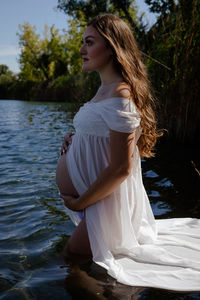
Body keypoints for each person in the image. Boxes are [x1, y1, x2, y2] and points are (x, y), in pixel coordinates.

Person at [56, 14, 200, 291]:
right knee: (79, 264)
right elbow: (100, 131)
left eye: (89, 42)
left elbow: (122, 167)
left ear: (110, 46)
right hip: (94, 200)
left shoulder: (120, 95)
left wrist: (80, 203)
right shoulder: (104, 89)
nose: (82, 50)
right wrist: (75, 137)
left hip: (101, 203)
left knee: (71, 265)